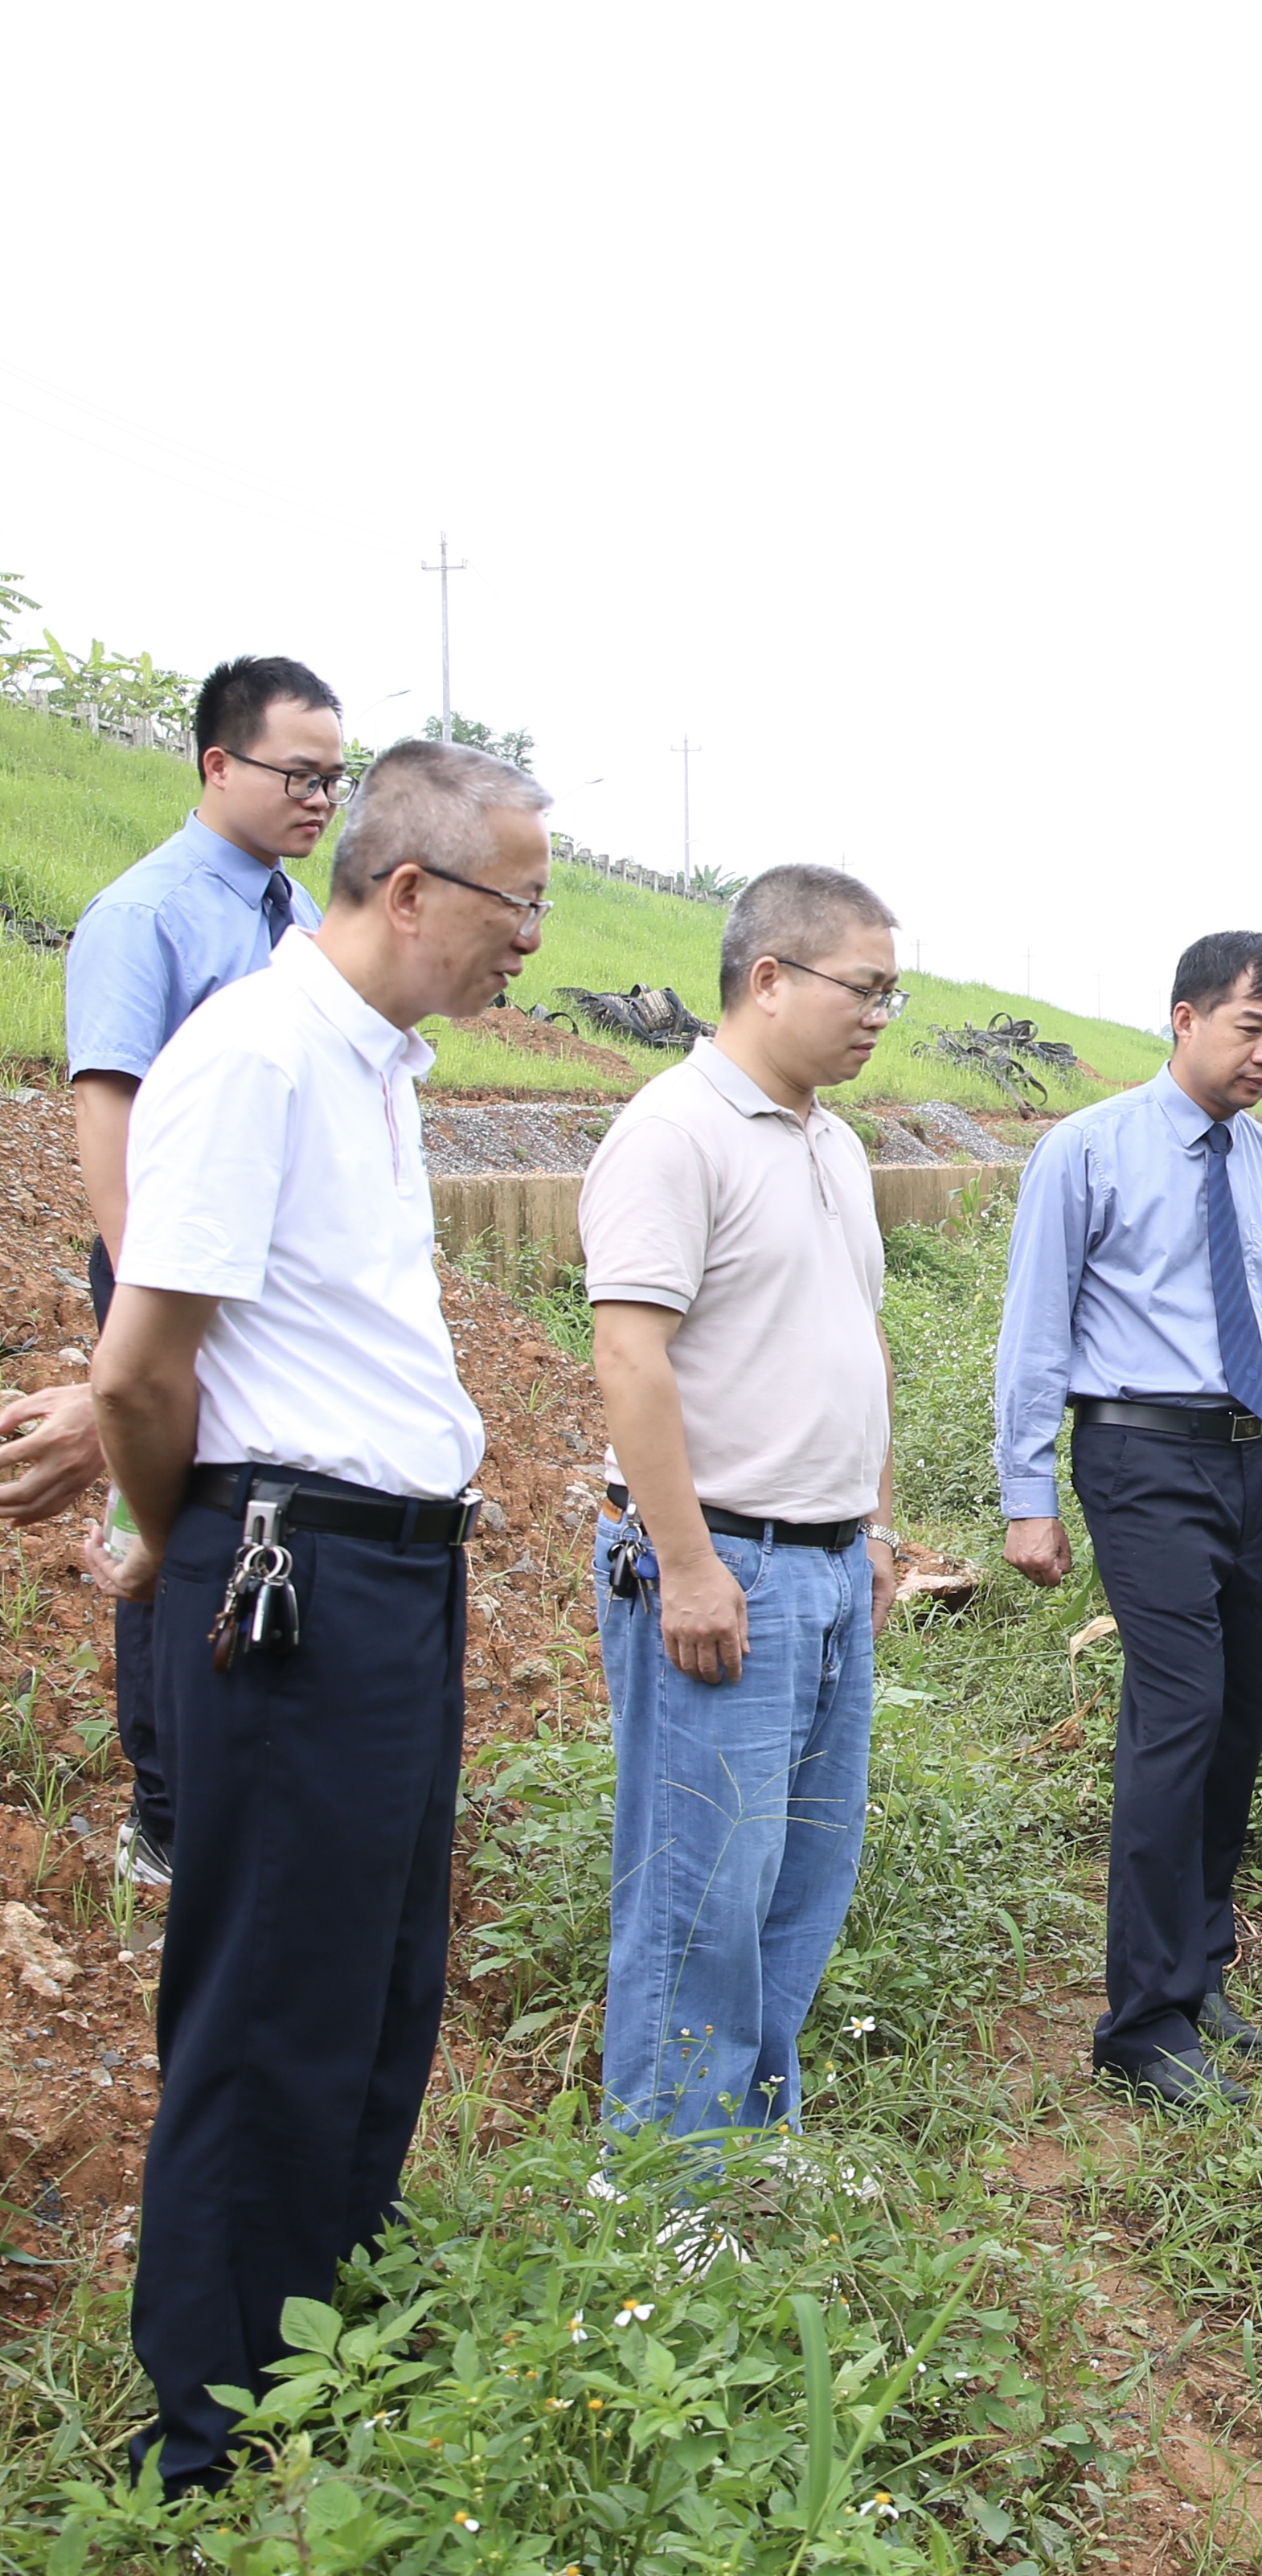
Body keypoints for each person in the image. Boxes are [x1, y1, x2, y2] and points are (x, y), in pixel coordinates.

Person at [88, 738, 550, 2492]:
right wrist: (163, 1542)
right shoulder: (255, 1055)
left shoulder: (376, 1067)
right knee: (271, 1991)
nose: (535, 937)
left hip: (389, 1565)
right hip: (289, 1573)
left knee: (377, 1977)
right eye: (520, 900)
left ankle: (311, 2332)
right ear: (414, 888)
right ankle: (204, 2426)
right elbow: (144, 1369)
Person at [0, 655, 345, 1895]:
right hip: (167, 1272)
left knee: (256, 1503)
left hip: (262, 1282)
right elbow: (110, 1119)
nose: (318, 800)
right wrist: (149, 1314)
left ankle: (242, 1778)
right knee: (170, 1509)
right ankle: (163, 1813)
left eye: (333, 780)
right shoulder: (146, 914)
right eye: (296, 774)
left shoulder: (300, 921)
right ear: (216, 763)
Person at [582, 866, 909, 2151]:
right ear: (767, 977)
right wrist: (687, 1565)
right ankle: (665, 2192)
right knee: (700, 1890)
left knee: (798, 1881)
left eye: (894, 990)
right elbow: (628, 1358)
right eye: (863, 987)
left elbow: (855, 1339)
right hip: (727, 1562)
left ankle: (752, 2148)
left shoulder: (832, 1139)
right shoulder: (676, 1132)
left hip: (825, 1566)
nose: (882, 1013)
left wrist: (875, 1526)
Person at [991, 932, 1262, 2108]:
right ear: (1183, 1018)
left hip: (1250, 1461)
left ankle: (1199, 1968)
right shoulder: (1086, 1151)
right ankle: (1139, 2024)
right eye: (1249, 1028)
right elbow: (1035, 1325)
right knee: (1174, 1717)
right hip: (1140, 1455)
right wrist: (1026, 1492)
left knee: (1235, 1719)